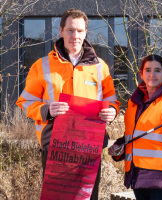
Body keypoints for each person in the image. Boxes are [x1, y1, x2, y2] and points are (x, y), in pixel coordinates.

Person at [16, 8, 120, 199]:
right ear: (61, 31)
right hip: (54, 145)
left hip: (89, 147)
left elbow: (112, 102)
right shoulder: (42, 65)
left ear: (85, 33)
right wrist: (47, 109)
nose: (75, 35)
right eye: (70, 30)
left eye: (80, 31)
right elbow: (25, 102)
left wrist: (112, 111)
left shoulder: (100, 67)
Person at [108, 55, 162, 200]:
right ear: (141, 74)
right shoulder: (134, 102)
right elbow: (133, 136)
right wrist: (119, 147)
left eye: (157, 70)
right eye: (148, 70)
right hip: (137, 176)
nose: (152, 74)